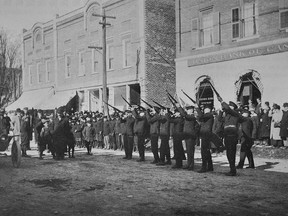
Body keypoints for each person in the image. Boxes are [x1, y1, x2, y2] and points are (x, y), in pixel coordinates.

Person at [217, 97, 240, 176]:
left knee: (231, 153)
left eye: (230, 107)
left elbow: (228, 108)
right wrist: (220, 110)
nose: (228, 108)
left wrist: (222, 101)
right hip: (227, 136)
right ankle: (231, 169)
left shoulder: (235, 113)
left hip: (232, 136)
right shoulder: (227, 116)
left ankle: (233, 170)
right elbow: (219, 119)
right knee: (228, 153)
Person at [177, 105, 199, 170]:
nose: (187, 111)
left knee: (190, 151)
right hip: (187, 135)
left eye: (189, 110)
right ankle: (189, 164)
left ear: (191, 110)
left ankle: (191, 165)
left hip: (190, 136)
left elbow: (185, 115)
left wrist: (179, 107)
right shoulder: (188, 117)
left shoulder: (192, 116)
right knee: (188, 151)